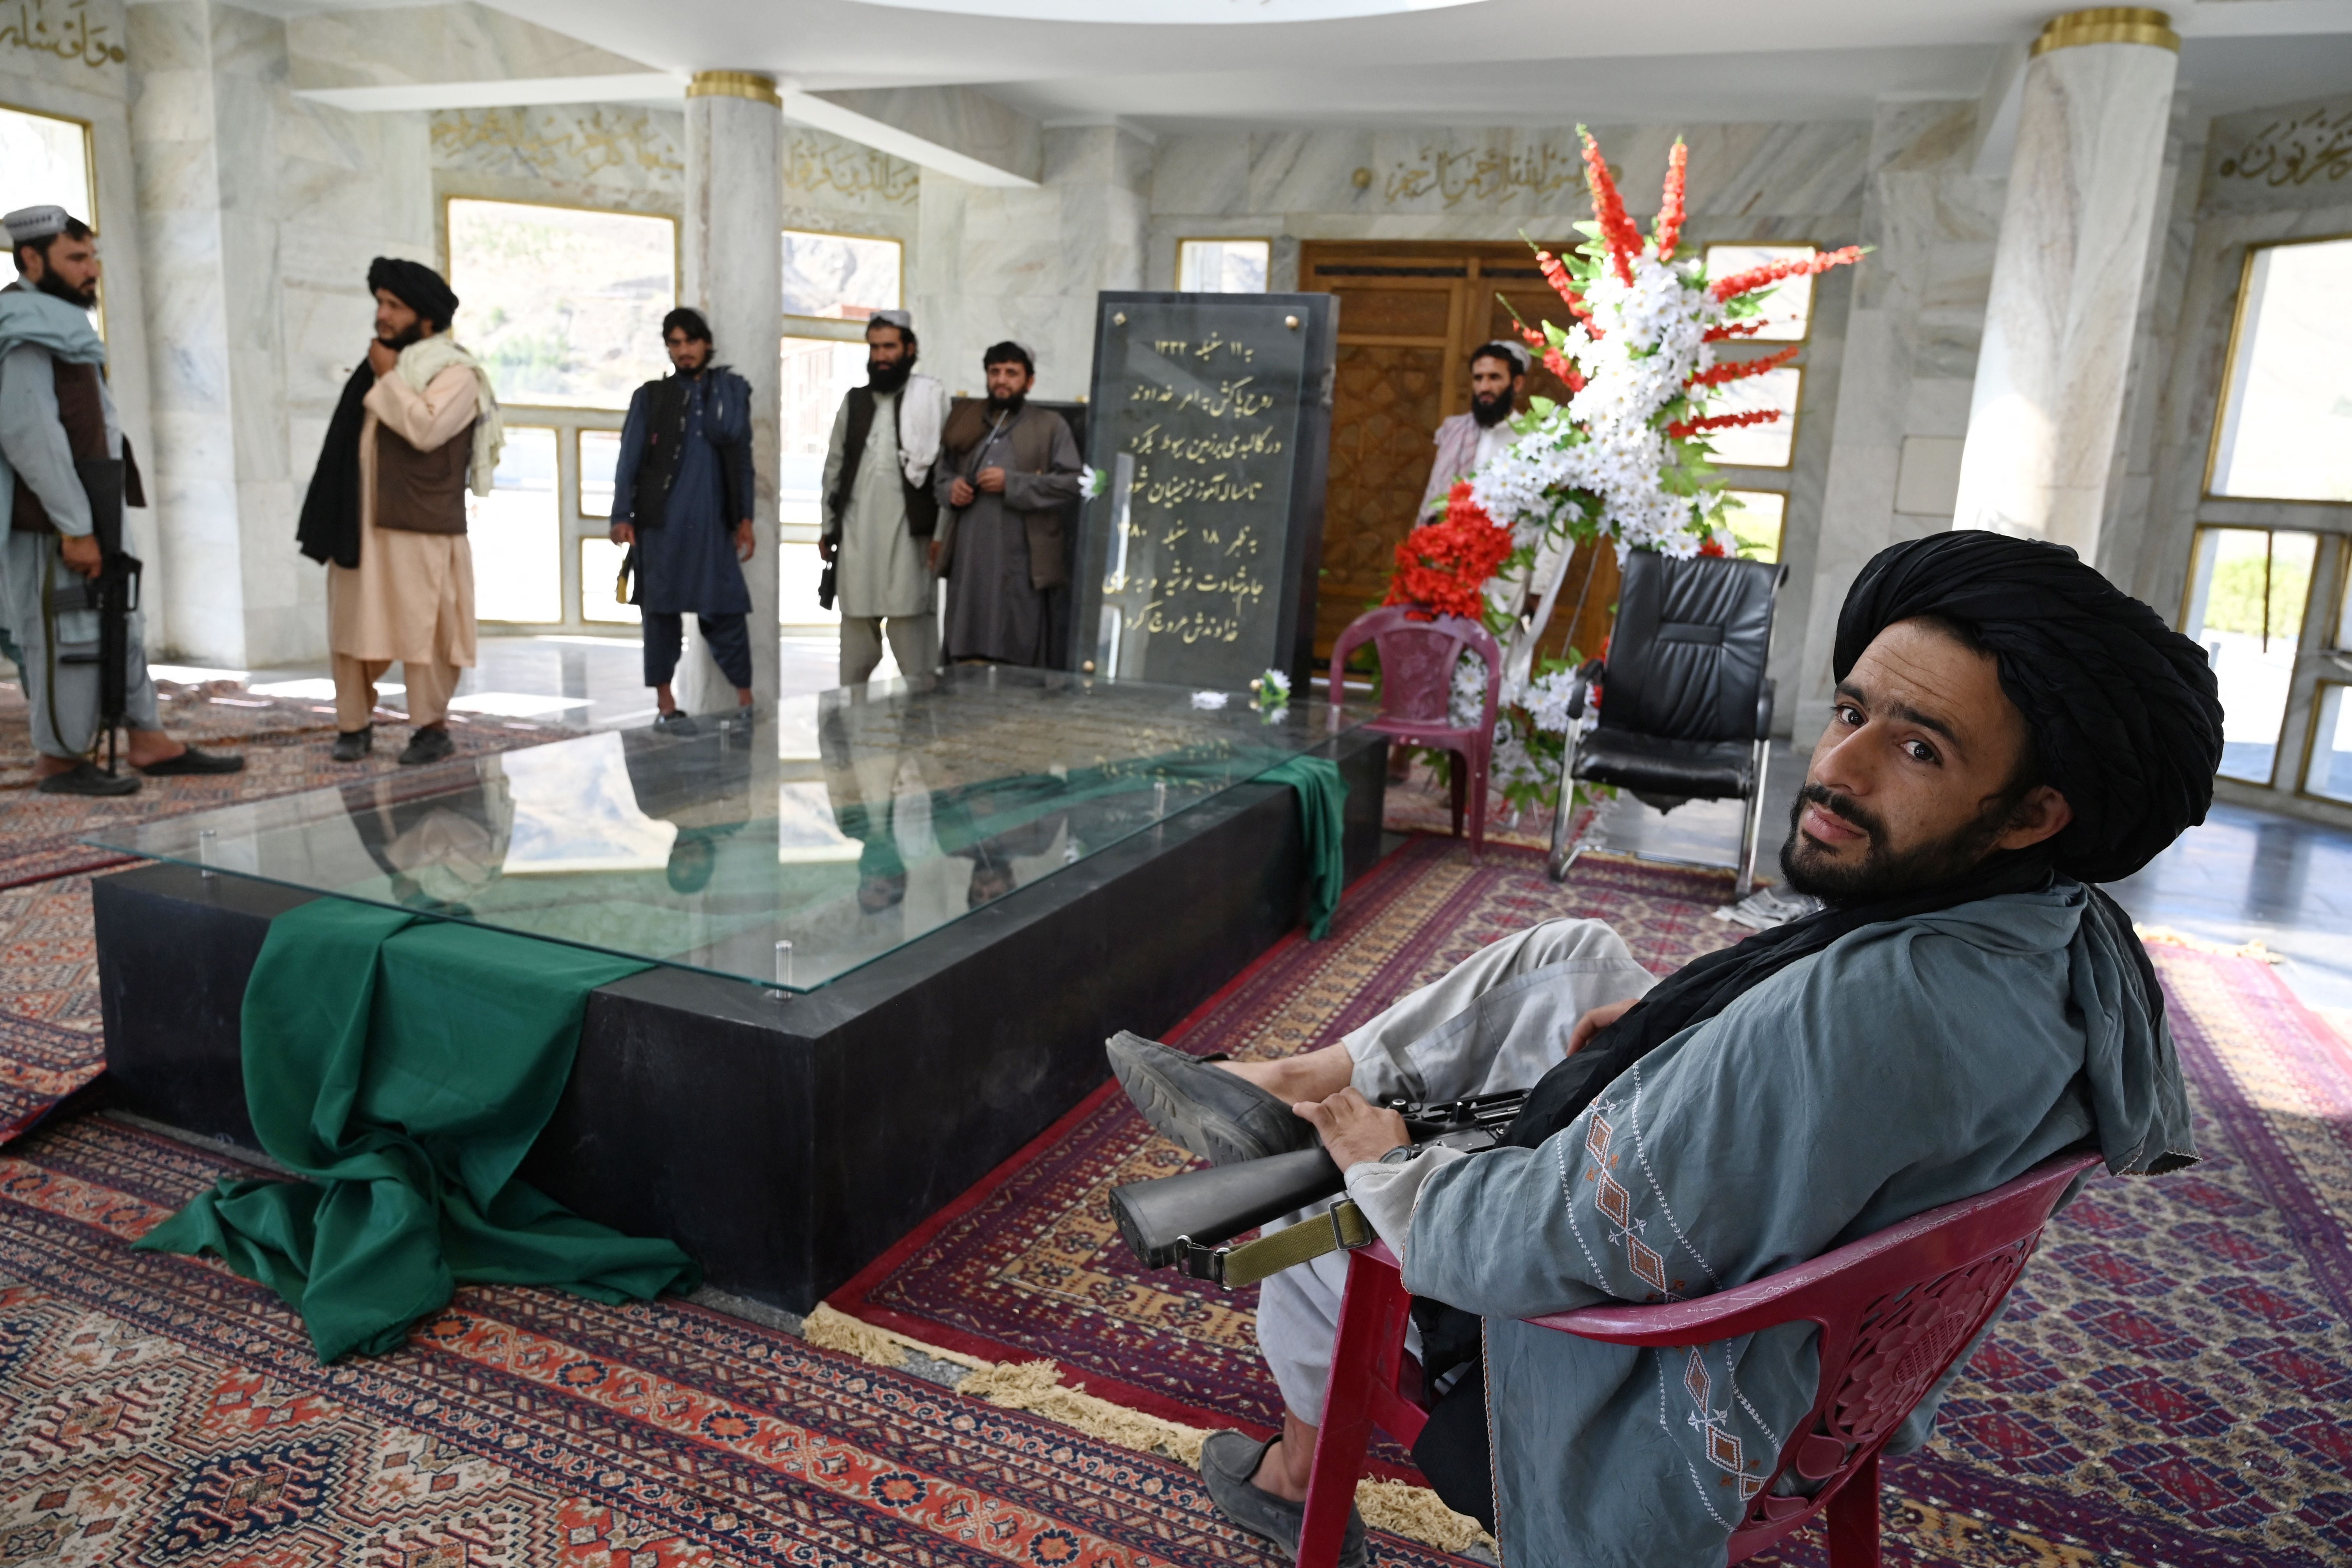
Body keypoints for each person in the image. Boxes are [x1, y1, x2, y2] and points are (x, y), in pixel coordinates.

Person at [1107, 530, 2220, 1568]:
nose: (1838, 769)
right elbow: (1791, 1046)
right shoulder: (2064, 935)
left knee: (1318, 1226)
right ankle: (1293, 1081)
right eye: (1850, 711)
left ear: (2031, 812)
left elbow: (1537, 1240)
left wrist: (1392, 1167)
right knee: (1576, 958)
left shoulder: (1863, 1015)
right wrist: (1663, 1033)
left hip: (1667, 1395)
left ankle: (1301, 1475)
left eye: (1917, 748)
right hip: (1840, 1349)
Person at [0, 205, 241, 795]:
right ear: (32, 260)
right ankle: (59, 762)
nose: (92, 270)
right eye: (77, 258)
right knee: (65, 633)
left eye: (94, 257)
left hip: (90, 505)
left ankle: (149, 740)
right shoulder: (22, 329)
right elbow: (30, 436)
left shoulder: (57, 321)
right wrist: (75, 526)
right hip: (52, 521)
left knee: (118, 620)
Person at [297, 257, 503, 766]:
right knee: (352, 627)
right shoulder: (375, 369)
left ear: (426, 320)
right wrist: (383, 375)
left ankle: (431, 728)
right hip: (361, 524)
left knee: (425, 630)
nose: (382, 315)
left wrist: (389, 379)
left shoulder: (457, 374)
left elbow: (425, 430)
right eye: (380, 304)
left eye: (394, 306)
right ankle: (353, 725)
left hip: (420, 529)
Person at [609, 307, 756, 734]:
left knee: (725, 609)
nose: (683, 351)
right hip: (662, 525)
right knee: (660, 614)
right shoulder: (651, 397)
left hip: (714, 525)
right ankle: (666, 703)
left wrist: (745, 518)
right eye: (674, 343)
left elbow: (742, 460)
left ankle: (747, 701)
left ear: (707, 343)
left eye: (690, 342)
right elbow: (629, 459)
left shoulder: (729, 393)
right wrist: (622, 515)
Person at [931, 342, 1084, 667]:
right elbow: (941, 475)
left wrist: (1012, 483)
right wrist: (951, 489)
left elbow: (1072, 483)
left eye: (1012, 373)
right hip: (970, 558)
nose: (1002, 381)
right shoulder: (965, 420)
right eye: (995, 372)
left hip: (1023, 561)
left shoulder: (1050, 426)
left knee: (1018, 643)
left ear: (1029, 381)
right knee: (965, 644)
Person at [821, 309, 949, 687]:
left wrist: (942, 534)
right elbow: (834, 468)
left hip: (911, 541)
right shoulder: (855, 402)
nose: (881, 356)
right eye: (875, 347)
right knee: (855, 658)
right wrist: (828, 529)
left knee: (917, 656)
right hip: (858, 540)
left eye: (889, 347)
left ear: (909, 349)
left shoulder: (930, 400)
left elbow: (944, 473)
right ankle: (852, 733)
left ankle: (924, 737)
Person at [1420, 340, 1528, 514]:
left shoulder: (1531, 438)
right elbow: (1437, 495)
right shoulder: (1455, 430)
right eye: (1479, 378)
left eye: (1494, 377)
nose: (1484, 387)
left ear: (1517, 384)